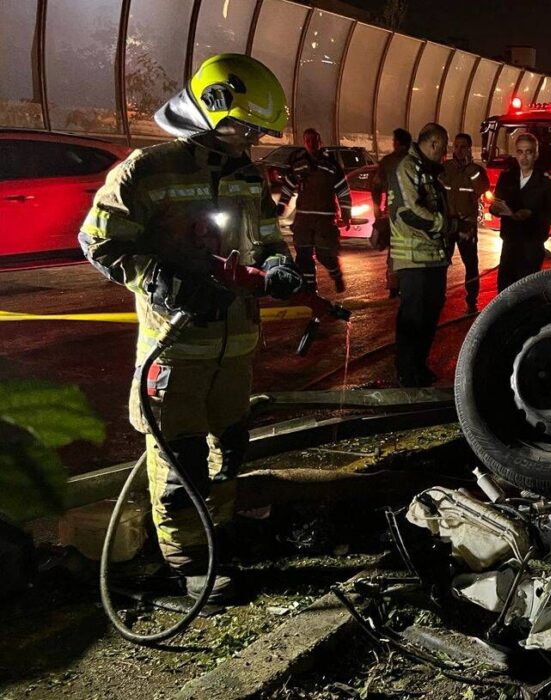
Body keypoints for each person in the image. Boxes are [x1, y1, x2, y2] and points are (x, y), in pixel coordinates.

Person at [78, 54, 302, 602]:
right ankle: (188, 563)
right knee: (179, 458)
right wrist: (160, 279)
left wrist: (278, 265)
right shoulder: (147, 170)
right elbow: (99, 241)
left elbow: (268, 238)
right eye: (244, 128)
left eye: (257, 133)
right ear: (211, 106)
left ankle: (215, 535)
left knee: (229, 446)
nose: (250, 141)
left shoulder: (246, 175)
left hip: (235, 345)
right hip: (176, 348)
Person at [388, 123, 472, 387]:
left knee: (430, 314)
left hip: (434, 257)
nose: (445, 153)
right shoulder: (407, 168)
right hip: (414, 259)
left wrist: (454, 224)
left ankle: (419, 366)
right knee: (413, 316)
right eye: (444, 147)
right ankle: (406, 372)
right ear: (434, 143)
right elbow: (409, 211)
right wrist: (450, 226)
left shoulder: (429, 171)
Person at [277, 128, 352, 293]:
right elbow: (289, 185)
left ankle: (336, 274)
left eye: (315, 140)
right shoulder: (298, 164)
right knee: (303, 255)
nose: (312, 144)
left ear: (320, 142)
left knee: (325, 254)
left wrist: (346, 213)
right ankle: (310, 288)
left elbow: (343, 190)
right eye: (308, 140)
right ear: (304, 143)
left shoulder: (331, 164)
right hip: (303, 219)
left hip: (325, 219)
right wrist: (282, 204)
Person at [490, 132, 551, 292]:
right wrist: (495, 209)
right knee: (505, 291)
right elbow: (497, 202)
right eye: (520, 152)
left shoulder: (547, 181)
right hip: (509, 244)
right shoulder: (507, 177)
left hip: (532, 245)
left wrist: (532, 214)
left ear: (536, 154)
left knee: (526, 292)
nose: (524, 157)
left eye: (528, 152)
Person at [440, 132, 489, 314]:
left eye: (463, 147)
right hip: (447, 224)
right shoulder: (446, 167)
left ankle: (472, 299)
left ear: (469, 149)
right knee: (441, 263)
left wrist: (470, 169)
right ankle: (439, 297)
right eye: (456, 146)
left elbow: (482, 187)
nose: (459, 150)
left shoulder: (476, 170)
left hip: (466, 225)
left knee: (470, 263)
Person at [372, 128, 413, 298]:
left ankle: (394, 287)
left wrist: (377, 208)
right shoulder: (416, 162)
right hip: (412, 216)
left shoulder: (388, 162)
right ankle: (407, 285)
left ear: (397, 142)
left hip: (394, 215)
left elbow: (376, 186)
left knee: (395, 252)